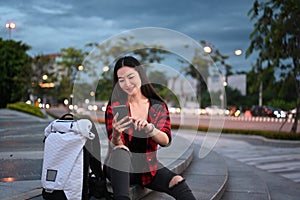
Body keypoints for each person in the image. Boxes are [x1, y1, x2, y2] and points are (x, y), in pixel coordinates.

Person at [104, 56, 196, 200]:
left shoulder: (157, 106)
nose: (127, 83)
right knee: (121, 152)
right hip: (120, 168)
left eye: (130, 77)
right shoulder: (115, 107)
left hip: (148, 168)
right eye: (121, 80)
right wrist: (116, 135)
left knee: (177, 181)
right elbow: (118, 146)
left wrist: (150, 129)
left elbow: (165, 140)